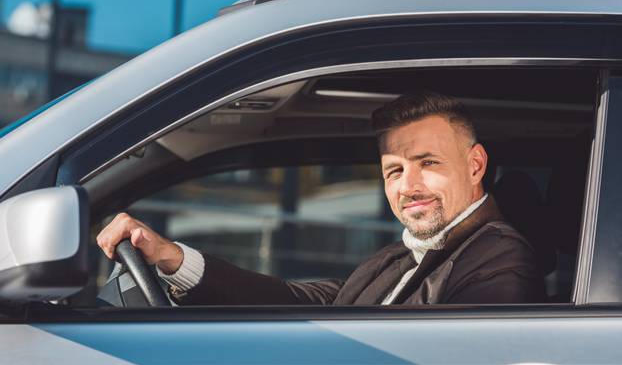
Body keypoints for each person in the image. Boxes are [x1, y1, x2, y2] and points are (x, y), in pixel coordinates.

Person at [97, 91, 546, 305]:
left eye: (428, 163)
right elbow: (303, 301)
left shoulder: (499, 260)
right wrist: (172, 257)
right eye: (395, 170)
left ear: (475, 165)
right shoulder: (399, 257)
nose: (408, 186)